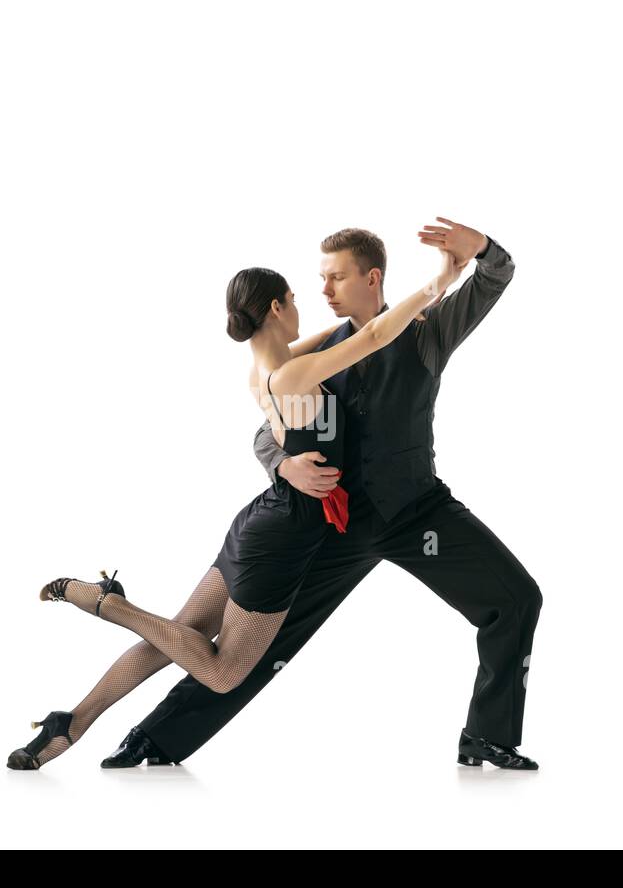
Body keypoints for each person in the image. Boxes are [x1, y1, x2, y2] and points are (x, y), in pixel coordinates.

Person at [100, 218, 544, 771]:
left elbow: (495, 276)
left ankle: (487, 735)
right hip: (336, 523)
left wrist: (477, 249)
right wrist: (283, 465)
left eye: (335, 278)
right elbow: (268, 427)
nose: (324, 291)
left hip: (417, 512)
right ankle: (156, 739)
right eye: (319, 279)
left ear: (372, 277)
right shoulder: (318, 352)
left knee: (517, 597)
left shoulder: (428, 329)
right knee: (262, 647)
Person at [6, 241, 465, 770]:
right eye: (293, 297)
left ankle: (72, 723)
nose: (303, 304)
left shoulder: (266, 372)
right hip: (286, 536)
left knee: (177, 638)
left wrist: (287, 463)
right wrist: (437, 285)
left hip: (260, 519)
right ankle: (111, 603)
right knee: (222, 670)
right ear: (275, 308)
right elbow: (378, 334)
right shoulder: (296, 374)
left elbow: (359, 336)